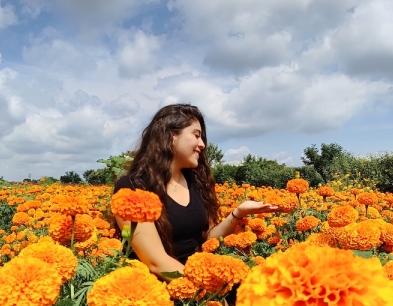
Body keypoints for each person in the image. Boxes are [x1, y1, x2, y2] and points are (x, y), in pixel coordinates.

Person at [113, 103, 280, 277]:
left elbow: (208, 239)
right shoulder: (132, 188)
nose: (202, 144)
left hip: (198, 285)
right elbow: (155, 262)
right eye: (196, 135)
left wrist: (238, 213)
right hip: (161, 292)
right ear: (171, 136)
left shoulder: (195, 182)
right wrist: (204, 288)